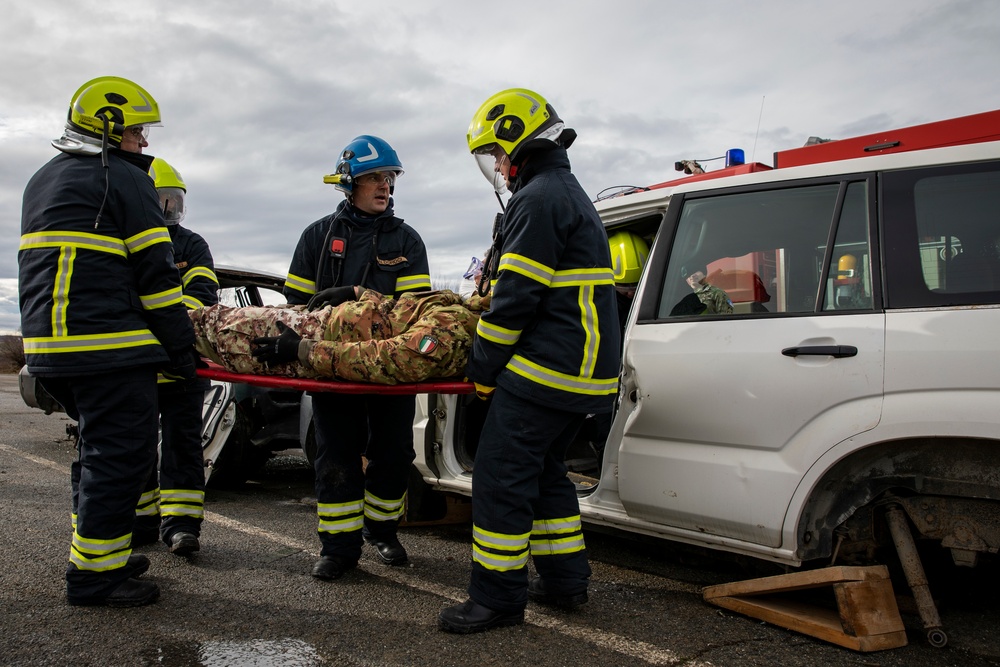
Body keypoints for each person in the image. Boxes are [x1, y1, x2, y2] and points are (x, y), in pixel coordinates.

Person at [438, 88, 622, 634]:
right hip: (581, 373)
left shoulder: (538, 198)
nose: (496, 165)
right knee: (544, 475)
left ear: (515, 141)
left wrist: (482, 369)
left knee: (498, 478)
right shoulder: (566, 191)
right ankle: (566, 582)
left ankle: (496, 599)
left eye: (496, 153)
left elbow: (515, 298)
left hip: (547, 370)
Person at [18, 76, 198, 607]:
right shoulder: (122, 178)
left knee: (96, 453)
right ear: (109, 126)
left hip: (51, 352)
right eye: (139, 131)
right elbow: (157, 276)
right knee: (120, 457)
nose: (145, 143)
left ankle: (102, 552)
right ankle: (94, 578)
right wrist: (181, 349)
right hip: (108, 348)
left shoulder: (42, 179)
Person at [279, 135, 432, 580]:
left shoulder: (407, 240)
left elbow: (414, 311)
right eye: (373, 178)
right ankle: (339, 550)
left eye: (390, 177)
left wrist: (354, 295)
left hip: (389, 371)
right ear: (350, 184)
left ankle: (382, 530)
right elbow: (296, 308)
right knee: (336, 457)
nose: (385, 186)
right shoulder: (316, 237)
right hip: (332, 372)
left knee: (394, 453)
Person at [134, 157, 219, 556]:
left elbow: (201, 299)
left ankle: (183, 526)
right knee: (135, 446)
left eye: (174, 201)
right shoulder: (124, 237)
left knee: (184, 447)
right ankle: (141, 521)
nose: (169, 210)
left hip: (183, 362)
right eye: (161, 201)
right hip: (137, 365)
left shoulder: (191, 244)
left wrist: (163, 323)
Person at [188, 288, 485, 383]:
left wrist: (302, 349)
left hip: (316, 338)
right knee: (207, 322)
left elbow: (392, 359)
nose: (478, 273)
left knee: (213, 327)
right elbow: (398, 317)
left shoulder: (453, 327)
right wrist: (359, 292)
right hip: (319, 324)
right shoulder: (461, 306)